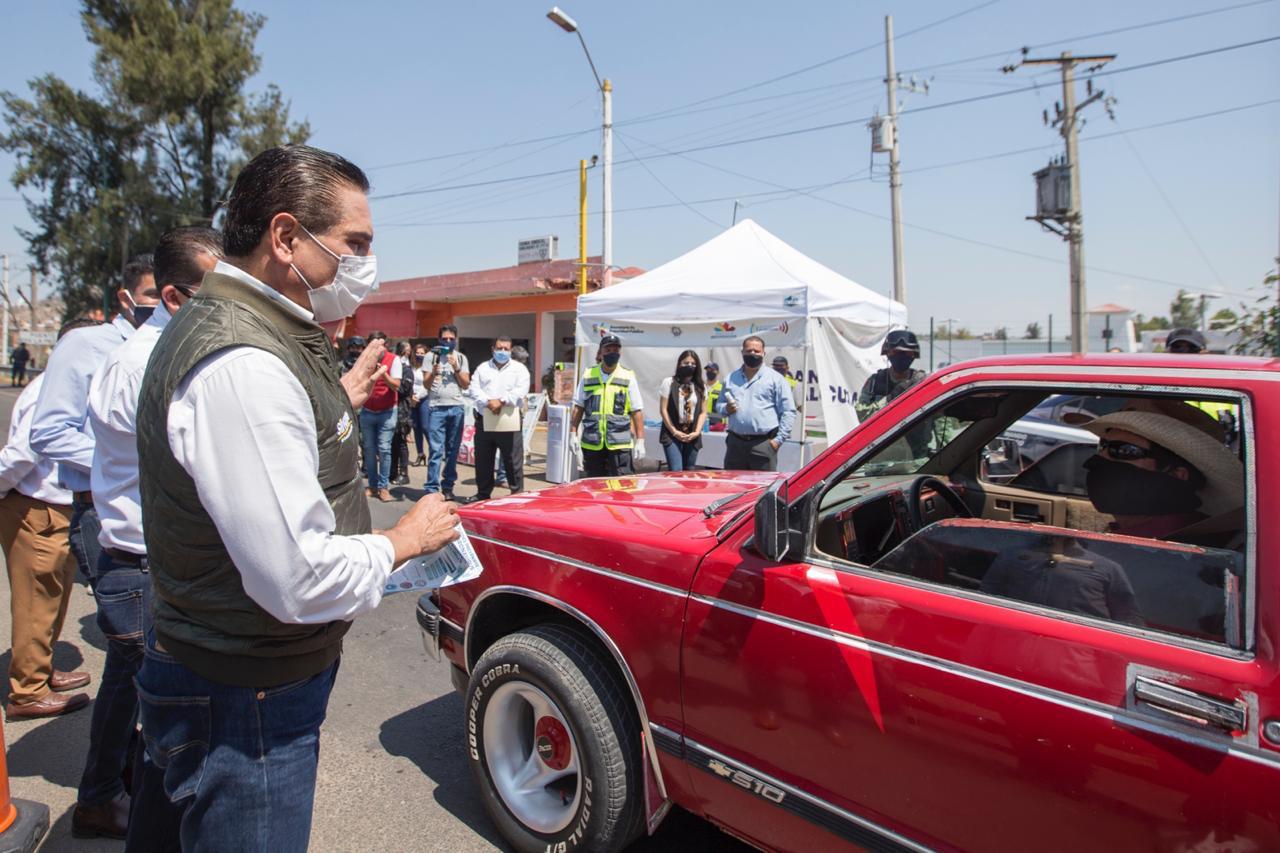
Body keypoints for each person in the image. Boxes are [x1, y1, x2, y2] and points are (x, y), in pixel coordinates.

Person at [129, 144, 459, 851]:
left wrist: (334, 401)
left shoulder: (257, 334)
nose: (367, 264)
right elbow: (298, 579)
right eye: (355, 244)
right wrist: (404, 540)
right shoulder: (244, 362)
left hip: (225, 664)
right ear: (285, 238)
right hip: (243, 697)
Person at [71, 226, 222, 840]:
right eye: (217, 293)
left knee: (138, 691)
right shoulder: (141, 364)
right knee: (148, 695)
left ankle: (113, 791)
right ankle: (106, 797)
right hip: (140, 562)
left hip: (158, 557)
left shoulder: (172, 352)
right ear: (174, 297)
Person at [30, 255, 159, 589]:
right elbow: (48, 432)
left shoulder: (168, 345)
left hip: (159, 512)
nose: (161, 304)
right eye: (152, 294)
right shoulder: (86, 344)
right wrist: (124, 463)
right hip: (101, 512)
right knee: (128, 612)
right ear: (125, 298)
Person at [0, 327, 93, 723]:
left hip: (55, 509)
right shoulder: (47, 390)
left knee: (53, 600)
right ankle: (28, 691)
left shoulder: (61, 385)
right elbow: (22, 453)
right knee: (36, 603)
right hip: (37, 509)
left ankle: (41, 669)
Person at [1080, 410, 1243, 541]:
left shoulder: (1173, 548)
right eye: (1103, 446)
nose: (1100, 458)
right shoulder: (1134, 535)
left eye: (1125, 450)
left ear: (1177, 475)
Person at [715, 336, 796, 471]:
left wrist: (777, 441)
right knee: (734, 482)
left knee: (763, 483)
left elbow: (788, 411)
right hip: (735, 444)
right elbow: (719, 405)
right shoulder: (731, 378)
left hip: (763, 444)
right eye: (749, 351)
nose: (752, 353)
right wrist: (726, 408)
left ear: (763, 353)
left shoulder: (776, 379)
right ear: (742, 352)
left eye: (756, 351)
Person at [570, 335, 645, 476]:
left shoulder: (627, 376)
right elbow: (578, 406)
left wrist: (640, 440)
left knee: (622, 484)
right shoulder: (588, 375)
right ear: (600, 352)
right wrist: (573, 433)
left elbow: (637, 410)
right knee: (594, 483)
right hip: (593, 441)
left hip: (619, 442)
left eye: (616, 350)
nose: (612, 353)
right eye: (608, 350)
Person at [469, 336, 528, 501]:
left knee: (513, 460)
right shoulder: (482, 368)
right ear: (492, 349)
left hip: (509, 419)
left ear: (511, 351)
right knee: (483, 460)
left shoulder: (519, 369)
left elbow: (520, 390)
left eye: (506, 349)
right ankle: (483, 494)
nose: (502, 352)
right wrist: (488, 402)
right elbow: (474, 389)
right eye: (499, 348)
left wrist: (501, 401)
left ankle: (516, 494)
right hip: (484, 419)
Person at [424, 324, 470, 499]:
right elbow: (426, 385)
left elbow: (465, 384)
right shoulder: (431, 357)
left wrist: (456, 368)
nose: (448, 342)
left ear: (456, 340)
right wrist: (432, 373)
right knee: (436, 450)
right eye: (445, 339)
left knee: (452, 450)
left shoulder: (461, 358)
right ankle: (431, 488)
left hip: (456, 407)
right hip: (437, 407)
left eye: (451, 339)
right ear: (439, 340)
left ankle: (448, 486)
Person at [361, 329, 400, 501]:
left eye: (381, 344)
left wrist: (383, 374)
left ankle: (384, 487)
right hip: (367, 410)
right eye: (373, 345)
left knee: (384, 449)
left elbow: (396, 385)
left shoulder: (394, 360)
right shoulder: (364, 360)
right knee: (369, 450)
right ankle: (372, 485)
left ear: (386, 345)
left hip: (387, 411)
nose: (378, 348)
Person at [855, 329, 926, 422]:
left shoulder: (921, 381)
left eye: (906, 353)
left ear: (913, 355)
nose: (901, 356)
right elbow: (862, 416)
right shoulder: (875, 382)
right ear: (888, 353)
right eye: (896, 352)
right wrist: (890, 399)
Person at [658, 350, 707, 471]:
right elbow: (663, 409)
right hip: (672, 432)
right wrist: (674, 431)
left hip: (692, 433)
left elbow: (703, 412)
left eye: (693, 364)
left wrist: (697, 432)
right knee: (676, 469)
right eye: (686, 363)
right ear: (679, 363)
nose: (689, 366)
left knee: (689, 469)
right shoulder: (669, 382)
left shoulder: (700, 386)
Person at [496, 345, 530, 487]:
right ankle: (502, 476)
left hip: (516, 412)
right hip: (505, 412)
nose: (523, 363)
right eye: (520, 360)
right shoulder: (505, 372)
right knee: (507, 446)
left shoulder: (521, 372)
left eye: (524, 361)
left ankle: (508, 476)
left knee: (513, 448)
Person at [389, 340, 414, 487]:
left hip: (402, 409)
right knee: (393, 442)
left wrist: (391, 384)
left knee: (401, 442)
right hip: (391, 408)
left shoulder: (407, 370)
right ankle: (392, 471)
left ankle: (404, 473)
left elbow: (404, 389)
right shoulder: (393, 367)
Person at [409, 342, 429, 466]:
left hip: (424, 398)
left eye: (422, 353)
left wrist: (418, 396)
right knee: (416, 427)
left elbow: (427, 385)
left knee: (425, 427)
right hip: (412, 399)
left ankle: (434, 452)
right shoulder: (411, 366)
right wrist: (411, 396)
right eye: (418, 353)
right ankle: (420, 453)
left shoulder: (428, 367)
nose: (420, 355)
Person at [703, 361, 724, 429]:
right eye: (708, 370)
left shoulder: (722, 388)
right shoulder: (701, 387)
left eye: (712, 370)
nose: (710, 372)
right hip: (702, 422)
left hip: (717, 424)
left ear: (717, 372)